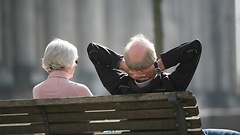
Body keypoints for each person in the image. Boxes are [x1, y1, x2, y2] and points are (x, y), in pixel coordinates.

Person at [87, 34, 240, 135]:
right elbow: (194, 48)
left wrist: (125, 66)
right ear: (153, 60)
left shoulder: (119, 87)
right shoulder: (170, 84)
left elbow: (93, 51)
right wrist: (158, 67)